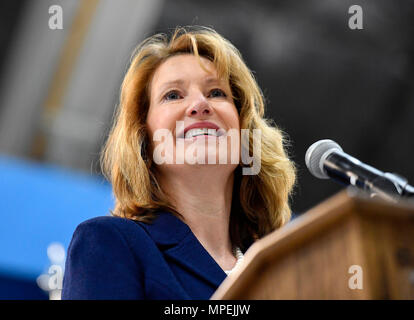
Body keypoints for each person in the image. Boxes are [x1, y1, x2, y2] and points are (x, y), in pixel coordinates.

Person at [61, 26, 296, 300]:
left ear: (245, 134)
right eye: (173, 95)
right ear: (144, 141)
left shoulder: (282, 267)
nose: (199, 104)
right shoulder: (110, 243)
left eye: (217, 92)